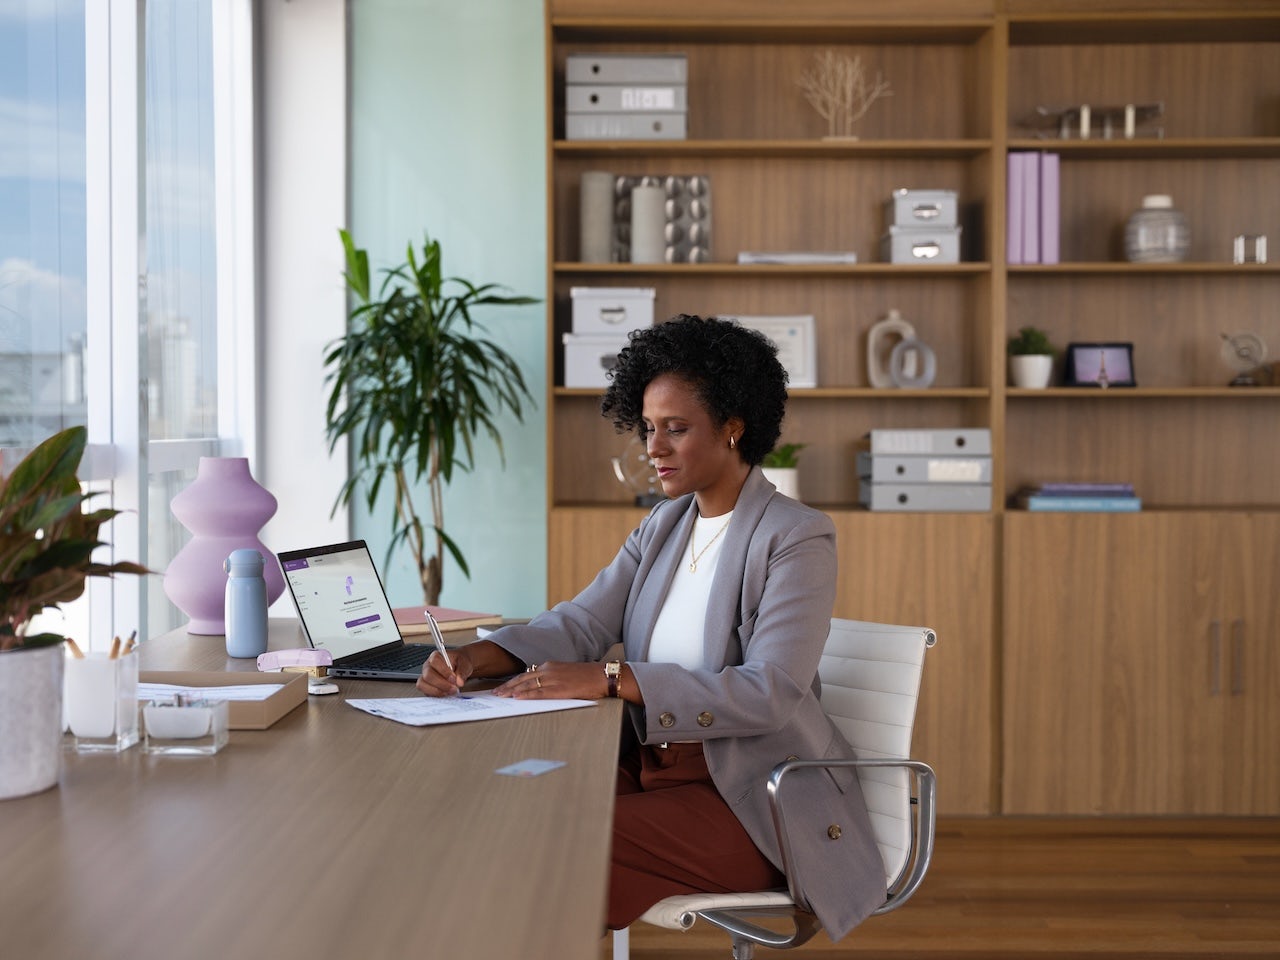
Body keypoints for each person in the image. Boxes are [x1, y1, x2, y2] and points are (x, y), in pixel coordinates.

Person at [416, 314, 884, 940]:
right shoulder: (663, 527)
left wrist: (614, 680)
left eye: (676, 429)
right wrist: (480, 657)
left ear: (734, 428)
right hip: (653, 768)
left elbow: (768, 690)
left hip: (748, 800)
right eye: (648, 429)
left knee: (561, 847)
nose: (653, 448)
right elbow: (582, 622)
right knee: (509, 808)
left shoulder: (794, 537)